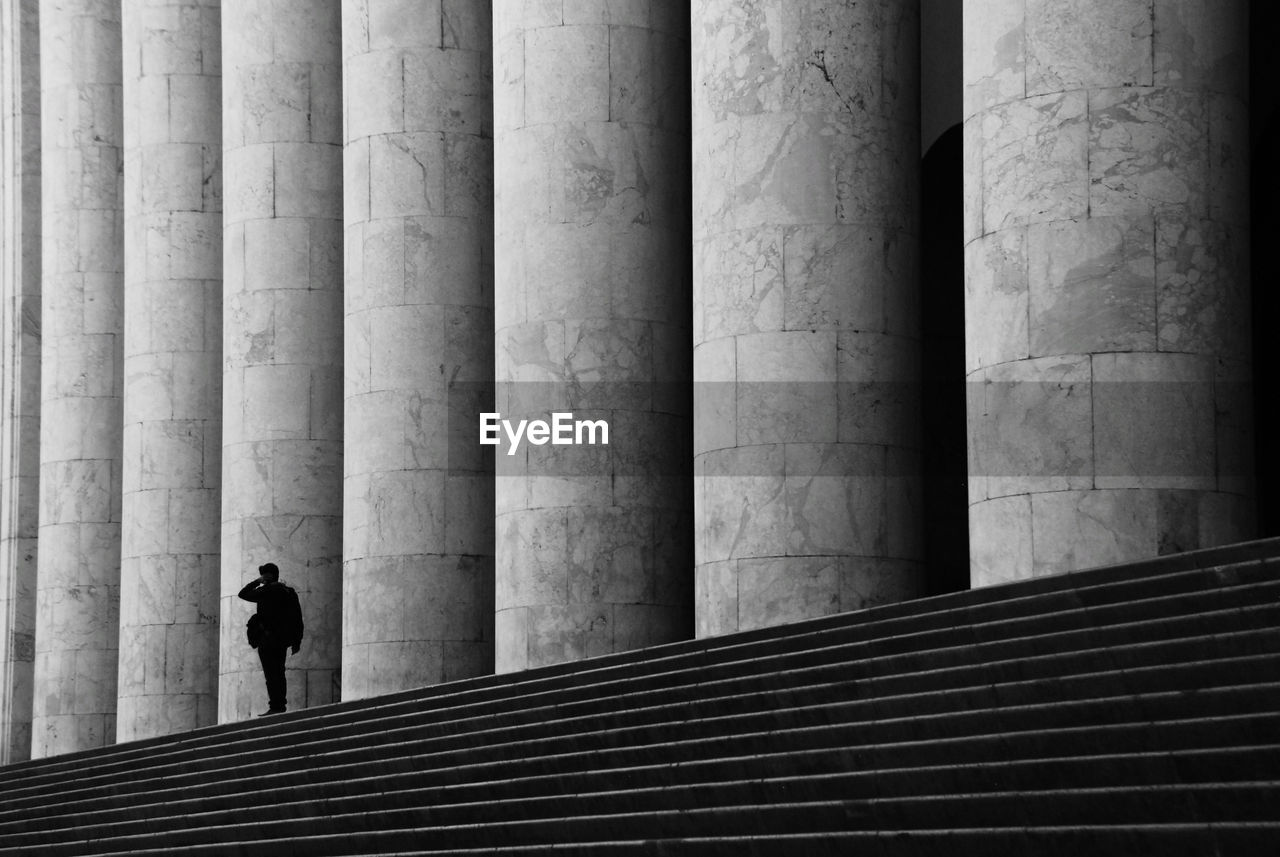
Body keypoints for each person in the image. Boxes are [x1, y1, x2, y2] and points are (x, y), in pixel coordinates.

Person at [238, 562, 304, 716]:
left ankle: (276, 705)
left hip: (268, 639)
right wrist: (297, 641)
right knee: (279, 672)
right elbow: (297, 618)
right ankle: (279, 704)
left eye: (263, 575)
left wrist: (256, 582)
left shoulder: (266, 591)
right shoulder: (288, 592)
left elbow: (243, 594)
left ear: (268, 575)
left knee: (271, 674)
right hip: (281, 640)